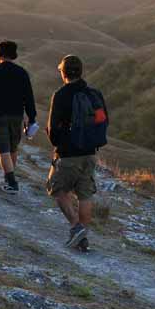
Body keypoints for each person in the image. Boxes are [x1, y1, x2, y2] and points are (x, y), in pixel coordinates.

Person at [46, 55, 108, 251]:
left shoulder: (61, 95)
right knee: (85, 195)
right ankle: (83, 239)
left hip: (68, 153)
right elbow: (103, 121)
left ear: (63, 73)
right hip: (90, 152)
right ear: (81, 71)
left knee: (56, 188)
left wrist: (58, 145)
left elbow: (53, 129)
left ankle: (76, 226)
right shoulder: (94, 93)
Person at [0, 41, 37, 193]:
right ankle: (9, 176)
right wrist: (32, 118)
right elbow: (29, 98)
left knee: (3, 149)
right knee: (12, 148)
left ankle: (11, 182)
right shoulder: (22, 73)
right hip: (16, 115)